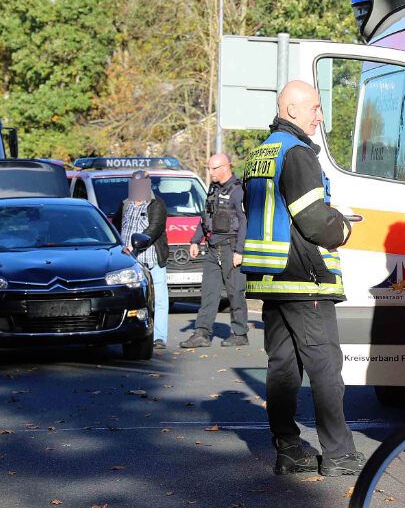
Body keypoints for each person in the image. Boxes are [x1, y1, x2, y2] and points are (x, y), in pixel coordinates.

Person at [241, 79, 362, 477]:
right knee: (325, 367)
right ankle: (340, 453)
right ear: (291, 110)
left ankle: (288, 448)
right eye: (314, 108)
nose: (320, 116)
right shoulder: (297, 153)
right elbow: (312, 219)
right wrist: (342, 227)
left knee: (282, 368)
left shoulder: (262, 153)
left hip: (271, 279)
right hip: (304, 279)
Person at [180, 153, 248, 348]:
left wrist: (240, 251)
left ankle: (239, 333)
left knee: (235, 292)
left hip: (231, 247)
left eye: (213, 169)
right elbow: (206, 216)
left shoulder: (237, 191)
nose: (209, 173)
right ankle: (202, 333)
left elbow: (244, 221)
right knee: (209, 292)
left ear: (225, 167)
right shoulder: (213, 189)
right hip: (212, 249)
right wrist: (195, 240)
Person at [118, 170, 169, 349]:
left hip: (151, 258)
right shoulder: (125, 203)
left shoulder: (156, 204)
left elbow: (154, 228)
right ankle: (128, 332)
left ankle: (160, 337)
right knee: (131, 298)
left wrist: (133, 246)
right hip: (129, 261)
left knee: (160, 299)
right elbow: (117, 225)